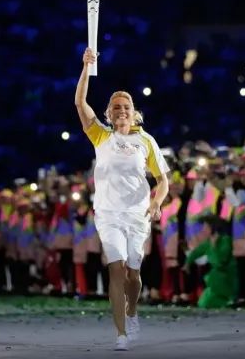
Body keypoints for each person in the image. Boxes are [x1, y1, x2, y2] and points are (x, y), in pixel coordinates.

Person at [74, 47, 171, 351]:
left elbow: (163, 180)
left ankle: (132, 311)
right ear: (110, 113)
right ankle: (120, 334)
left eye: (126, 106)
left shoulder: (145, 141)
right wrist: (86, 67)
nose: (121, 110)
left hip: (137, 214)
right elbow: (80, 102)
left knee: (133, 273)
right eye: (116, 106)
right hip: (108, 215)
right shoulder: (101, 136)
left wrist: (156, 202)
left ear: (133, 111)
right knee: (116, 268)